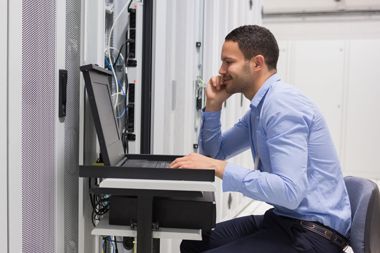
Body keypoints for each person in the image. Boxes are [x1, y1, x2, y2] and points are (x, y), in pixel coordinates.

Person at [170, 25, 351, 253]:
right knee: (194, 244)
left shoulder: (281, 105)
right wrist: (213, 107)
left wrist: (219, 167)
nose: (221, 70)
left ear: (257, 63)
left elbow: (289, 192)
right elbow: (213, 154)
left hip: (314, 234)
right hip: (284, 220)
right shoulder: (260, 108)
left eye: (228, 62)